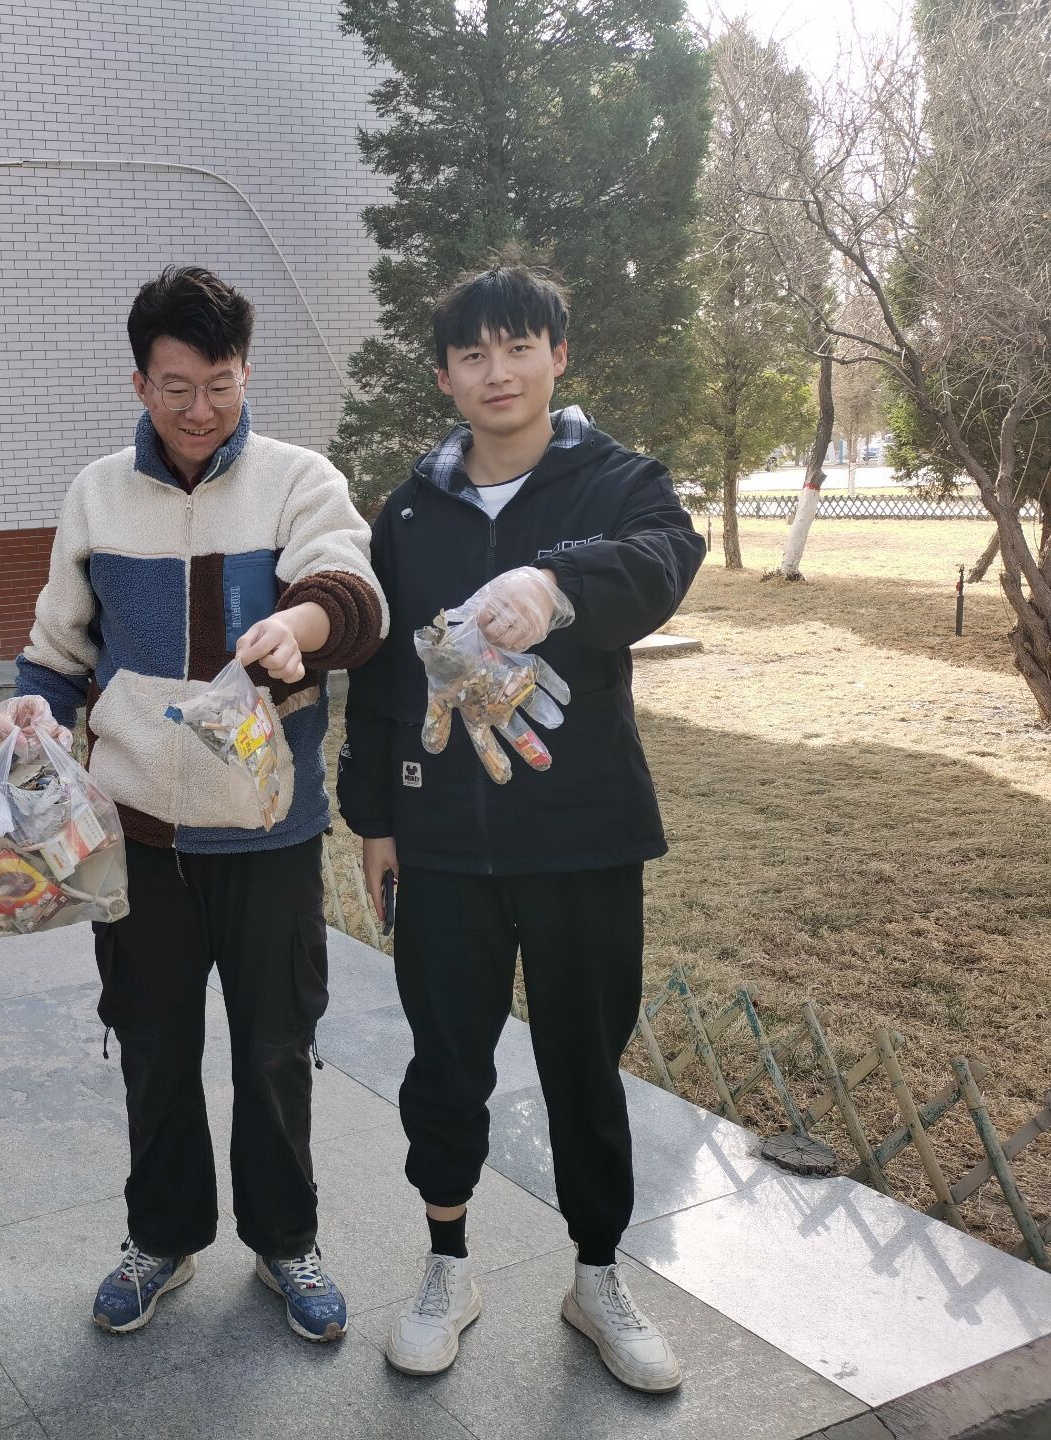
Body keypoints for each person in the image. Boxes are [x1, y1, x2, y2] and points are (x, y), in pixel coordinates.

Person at [0, 265, 386, 1343]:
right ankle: (161, 1237)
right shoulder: (95, 496)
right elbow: (54, 652)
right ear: (140, 383)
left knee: (276, 1047)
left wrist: (299, 628)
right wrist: (29, 714)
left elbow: (353, 595)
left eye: (220, 384)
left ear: (245, 373)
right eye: (176, 387)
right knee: (154, 1046)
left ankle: (286, 1240)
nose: (200, 409)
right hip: (140, 841)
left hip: (268, 833)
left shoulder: (299, 479)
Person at [337, 257, 705, 1393]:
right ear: (445, 376)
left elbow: (665, 560)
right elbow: (381, 678)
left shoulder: (618, 482)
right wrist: (375, 818)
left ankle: (597, 1276)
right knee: (446, 1059)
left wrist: (557, 584)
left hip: (583, 834)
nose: (497, 371)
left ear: (558, 355)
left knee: (584, 1060)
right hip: (442, 840)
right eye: (472, 353)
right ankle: (447, 1265)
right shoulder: (411, 509)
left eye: (518, 346)